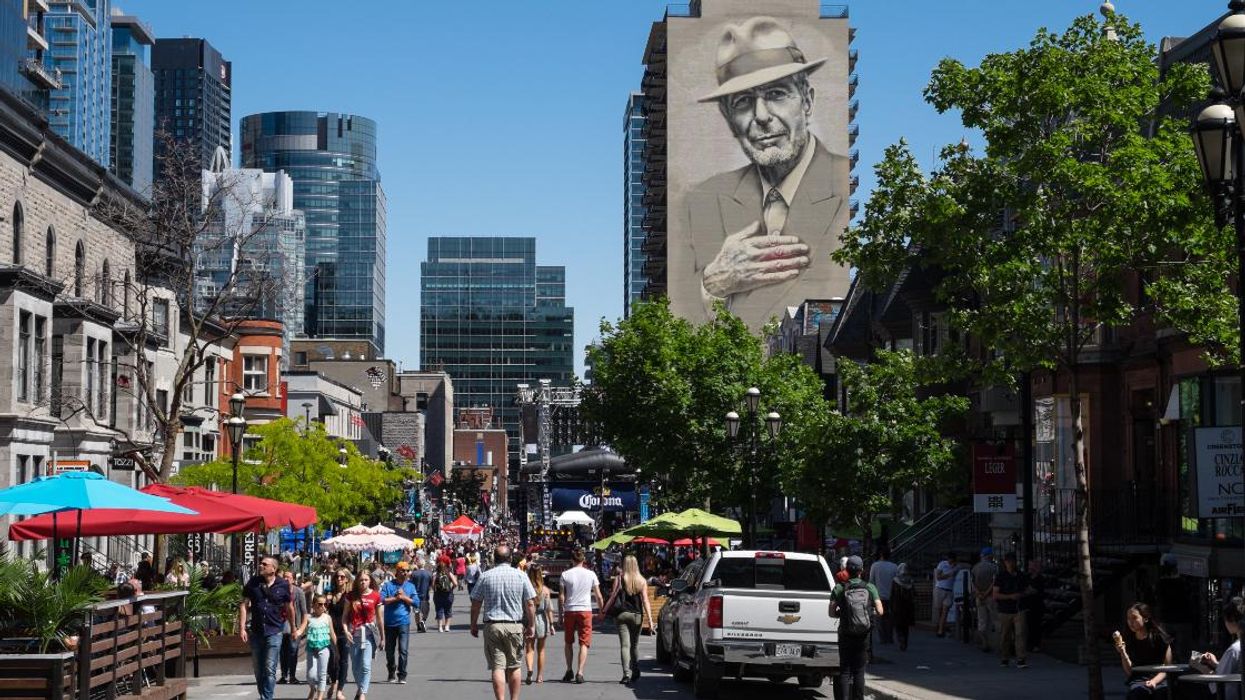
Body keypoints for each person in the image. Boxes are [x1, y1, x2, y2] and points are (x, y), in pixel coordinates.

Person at [673, 15, 851, 328]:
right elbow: (677, 321)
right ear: (729, 119)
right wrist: (712, 285)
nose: (761, 116)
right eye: (743, 102)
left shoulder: (843, 180)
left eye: (776, 94)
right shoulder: (699, 202)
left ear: (807, 102)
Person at [469, 544, 537, 700]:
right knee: (514, 666)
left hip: (493, 625)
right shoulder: (520, 575)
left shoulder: (486, 576)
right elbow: (530, 603)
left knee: (497, 667)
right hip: (514, 625)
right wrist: (531, 625)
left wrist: (473, 624)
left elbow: (476, 603)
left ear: (494, 558)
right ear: (510, 559)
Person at [239, 556, 294, 700]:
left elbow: (289, 608)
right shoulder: (253, 583)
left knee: (270, 669)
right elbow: (244, 605)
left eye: (265, 564)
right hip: (256, 632)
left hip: (275, 631)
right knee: (258, 670)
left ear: (273, 569)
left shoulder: (283, 585)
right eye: (261, 563)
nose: (261, 565)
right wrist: (242, 628)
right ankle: (264, 695)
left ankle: (266, 698)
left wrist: (293, 628)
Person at [831, 555, 883, 700]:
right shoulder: (870, 587)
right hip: (863, 635)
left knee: (845, 670)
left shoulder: (840, 588)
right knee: (859, 670)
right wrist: (868, 612)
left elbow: (831, 612)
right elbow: (880, 611)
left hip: (845, 634)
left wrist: (842, 614)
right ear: (861, 570)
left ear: (847, 570)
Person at [599, 554, 654, 686]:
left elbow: (613, 596)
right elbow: (645, 600)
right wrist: (650, 620)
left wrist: (604, 611)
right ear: (636, 565)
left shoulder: (619, 578)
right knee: (634, 645)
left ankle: (626, 674)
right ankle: (635, 670)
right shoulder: (642, 581)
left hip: (622, 614)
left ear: (624, 565)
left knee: (624, 645)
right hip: (637, 616)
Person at [559, 549, 603, 684]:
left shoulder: (565, 574)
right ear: (583, 560)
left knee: (568, 642)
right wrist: (602, 610)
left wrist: (561, 613)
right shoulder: (591, 574)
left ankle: (569, 669)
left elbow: (561, 597)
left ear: (572, 560)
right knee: (584, 642)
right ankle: (580, 672)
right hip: (585, 610)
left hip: (570, 610)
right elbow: (598, 595)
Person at [1113, 602, 1173, 698]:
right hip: (1138, 680)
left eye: (1134, 618)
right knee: (1137, 694)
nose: (1130, 622)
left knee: (1161, 694)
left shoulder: (1159, 638)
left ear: (1145, 618)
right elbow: (1130, 672)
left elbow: (1167, 668)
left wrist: (1154, 681)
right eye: (1128, 619)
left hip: (1160, 680)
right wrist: (1123, 653)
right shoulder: (1128, 640)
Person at [346, 569, 384, 700]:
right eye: (361, 580)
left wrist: (382, 638)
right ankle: (360, 688)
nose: (363, 582)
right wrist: (346, 631)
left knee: (366, 665)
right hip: (353, 634)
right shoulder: (351, 596)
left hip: (368, 634)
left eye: (366, 580)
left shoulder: (375, 596)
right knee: (356, 667)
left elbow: (379, 618)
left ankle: (362, 693)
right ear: (357, 581)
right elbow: (344, 617)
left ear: (370, 581)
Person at [1196, 597, 1243, 700]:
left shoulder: (1234, 650)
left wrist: (1200, 666)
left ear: (1232, 621)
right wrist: (1216, 663)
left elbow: (1217, 683)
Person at [380, 561, 418, 684]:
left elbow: (416, 602)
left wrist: (404, 597)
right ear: (397, 572)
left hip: (403, 622)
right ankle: (391, 671)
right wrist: (396, 598)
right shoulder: (388, 585)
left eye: (407, 571)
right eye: (402, 570)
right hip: (390, 623)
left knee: (403, 650)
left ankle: (402, 675)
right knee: (389, 651)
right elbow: (382, 600)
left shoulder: (410, 586)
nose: (405, 573)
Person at [294, 594, 337, 700]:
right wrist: (297, 632)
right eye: (320, 604)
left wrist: (337, 650)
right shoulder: (309, 617)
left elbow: (332, 634)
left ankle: (320, 697)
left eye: (325, 604)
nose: (323, 606)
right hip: (311, 649)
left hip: (324, 648)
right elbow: (302, 628)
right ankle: (312, 689)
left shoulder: (327, 618)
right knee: (311, 676)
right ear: (313, 605)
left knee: (322, 674)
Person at [993, 552, 1028, 668]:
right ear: (1005, 563)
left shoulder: (1021, 575)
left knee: (1020, 634)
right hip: (1005, 609)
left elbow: (1026, 589)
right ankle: (1004, 657)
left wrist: (1022, 594)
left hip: (1019, 608)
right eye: (1008, 561)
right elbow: (995, 595)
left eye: (1012, 561)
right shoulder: (1001, 576)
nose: (1011, 564)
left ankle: (1021, 658)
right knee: (1005, 635)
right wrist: (1010, 596)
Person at [523, 564, 554, 685]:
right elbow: (549, 609)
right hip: (541, 619)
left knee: (529, 649)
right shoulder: (545, 590)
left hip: (528, 620)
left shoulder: (526, 589)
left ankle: (530, 670)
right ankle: (539, 676)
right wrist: (551, 624)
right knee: (541, 649)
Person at [326, 569, 353, 700]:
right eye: (337, 577)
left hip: (344, 631)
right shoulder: (329, 593)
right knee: (331, 660)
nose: (339, 579)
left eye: (342, 577)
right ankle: (333, 682)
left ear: (347, 579)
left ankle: (340, 690)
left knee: (343, 661)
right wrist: (326, 601)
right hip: (330, 631)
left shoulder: (350, 595)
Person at [279, 570, 307, 684]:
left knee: (293, 650)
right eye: (284, 577)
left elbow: (304, 611)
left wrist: (301, 628)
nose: (286, 579)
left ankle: (292, 676)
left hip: (295, 625)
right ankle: (284, 675)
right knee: (283, 651)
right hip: (281, 625)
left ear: (293, 580)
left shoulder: (299, 592)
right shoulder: (279, 591)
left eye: (288, 577)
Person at [868, 548, 899, 645]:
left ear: (880, 555)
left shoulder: (875, 565)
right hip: (891, 596)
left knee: (879, 617)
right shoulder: (894, 566)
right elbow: (897, 582)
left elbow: (871, 581)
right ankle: (889, 637)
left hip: (878, 596)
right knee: (890, 617)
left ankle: (882, 638)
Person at [971, 547, 999, 652]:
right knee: (994, 619)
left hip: (979, 596)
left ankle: (984, 643)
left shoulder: (975, 568)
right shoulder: (994, 568)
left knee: (981, 620)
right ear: (990, 556)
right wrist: (987, 593)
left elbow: (972, 583)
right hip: (991, 596)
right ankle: (997, 642)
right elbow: (995, 582)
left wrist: (979, 593)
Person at [890, 563, 916, 651]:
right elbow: (914, 594)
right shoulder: (911, 581)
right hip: (908, 606)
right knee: (906, 626)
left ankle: (900, 639)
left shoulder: (895, 581)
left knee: (898, 625)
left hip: (897, 605)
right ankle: (905, 641)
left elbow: (892, 594)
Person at [1023, 559, 1046, 653]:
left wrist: (1029, 590)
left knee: (1036, 625)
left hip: (1037, 605)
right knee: (1029, 625)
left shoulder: (1040, 579)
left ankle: (1036, 644)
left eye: (1033, 566)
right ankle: (1030, 644)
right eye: (1030, 566)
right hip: (1027, 604)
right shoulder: (1026, 577)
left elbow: (1036, 591)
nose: (1031, 568)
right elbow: (1024, 589)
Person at [933, 551, 956, 637]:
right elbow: (938, 577)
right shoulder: (942, 564)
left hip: (949, 591)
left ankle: (940, 630)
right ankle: (941, 625)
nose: (951, 562)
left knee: (945, 611)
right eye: (950, 560)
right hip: (940, 589)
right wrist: (949, 574)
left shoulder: (956, 566)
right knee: (939, 610)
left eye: (952, 560)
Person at [433, 558, 458, 632]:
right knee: (448, 610)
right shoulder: (449, 573)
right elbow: (455, 583)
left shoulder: (436, 574)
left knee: (439, 610)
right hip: (448, 594)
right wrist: (452, 588)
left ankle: (440, 627)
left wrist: (435, 590)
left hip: (438, 594)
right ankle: (447, 627)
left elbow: (432, 585)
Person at [410, 558, 433, 634]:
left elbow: (410, 584)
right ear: (424, 564)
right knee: (426, 610)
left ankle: (418, 626)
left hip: (415, 595)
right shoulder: (429, 573)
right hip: (425, 595)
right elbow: (431, 585)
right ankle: (423, 620)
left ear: (418, 564)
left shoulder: (414, 574)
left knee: (416, 612)